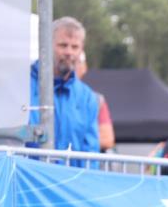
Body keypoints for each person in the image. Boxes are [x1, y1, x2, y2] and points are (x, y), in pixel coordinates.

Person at [27, 17, 99, 165]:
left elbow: (91, 154)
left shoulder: (87, 97)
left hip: (67, 185)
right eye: (63, 45)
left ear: (81, 49)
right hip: (28, 183)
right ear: (46, 45)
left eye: (75, 47)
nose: (69, 52)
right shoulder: (22, 87)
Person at [76, 51, 115, 151]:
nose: (73, 66)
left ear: (84, 68)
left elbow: (107, 140)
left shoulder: (96, 99)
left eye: (78, 62)